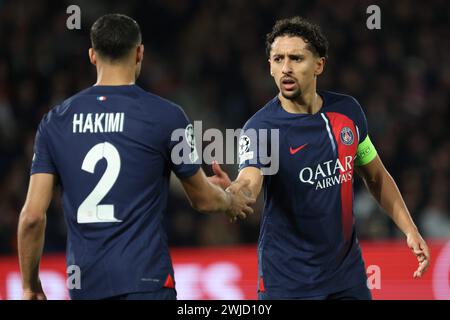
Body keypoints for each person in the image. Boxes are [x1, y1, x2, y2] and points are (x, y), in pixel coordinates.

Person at [17, 14, 254, 300]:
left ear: (92, 56)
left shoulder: (55, 122)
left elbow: (31, 217)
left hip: (85, 286)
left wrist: (30, 286)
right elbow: (202, 198)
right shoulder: (167, 116)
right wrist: (229, 200)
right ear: (140, 52)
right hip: (147, 281)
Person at [210, 16, 431, 300]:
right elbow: (250, 179)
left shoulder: (347, 112)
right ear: (270, 67)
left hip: (346, 277)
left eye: (296, 58)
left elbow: (375, 175)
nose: (286, 68)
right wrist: (232, 193)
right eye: (278, 59)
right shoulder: (260, 128)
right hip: (287, 282)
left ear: (319, 65)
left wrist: (410, 230)